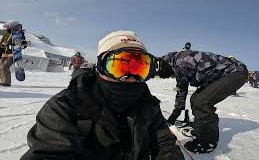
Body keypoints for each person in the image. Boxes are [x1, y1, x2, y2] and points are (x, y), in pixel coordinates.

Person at [21, 30, 184, 160]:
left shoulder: (148, 105)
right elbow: (48, 153)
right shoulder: (66, 106)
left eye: (139, 68)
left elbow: (164, 143)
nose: (131, 78)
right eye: (120, 66)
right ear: (100, 67)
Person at [158, 50, 248, 154]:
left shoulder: (182, 60)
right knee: (195, 99)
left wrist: (195, 81)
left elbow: (204, 72)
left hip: (236, 72)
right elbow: (182, 88)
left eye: (164, 75)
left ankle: (207, 142)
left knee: (202, 103)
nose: (168, 77)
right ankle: (199, 130)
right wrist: (176, 111)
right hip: (220, 74)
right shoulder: (175, 65)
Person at [0, 21, 18, 86]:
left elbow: (22, 44)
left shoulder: (18, 34)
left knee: (4, 66)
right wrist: (2, 45)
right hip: (4, 53)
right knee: (1, 67)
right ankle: (3, 81)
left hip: (13, 53)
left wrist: (10, 44)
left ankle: (6, 82)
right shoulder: (6, 34)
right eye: (7, 27)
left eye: (8, 27)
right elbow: (1, 43)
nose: (7, 28)